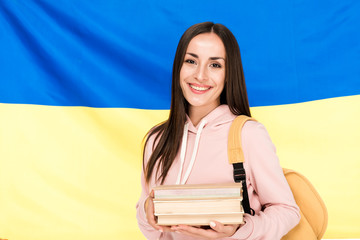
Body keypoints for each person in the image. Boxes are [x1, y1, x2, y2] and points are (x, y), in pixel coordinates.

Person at [136, 22, 300, 240]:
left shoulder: (248, 135)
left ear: (228, 73)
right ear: (178, 66)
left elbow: (288, 211)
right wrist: (148, 209)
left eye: (215, 65)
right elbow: (151, 228)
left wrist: (240, 229)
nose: (200, 75)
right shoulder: (157, 140)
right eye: (191, 61)